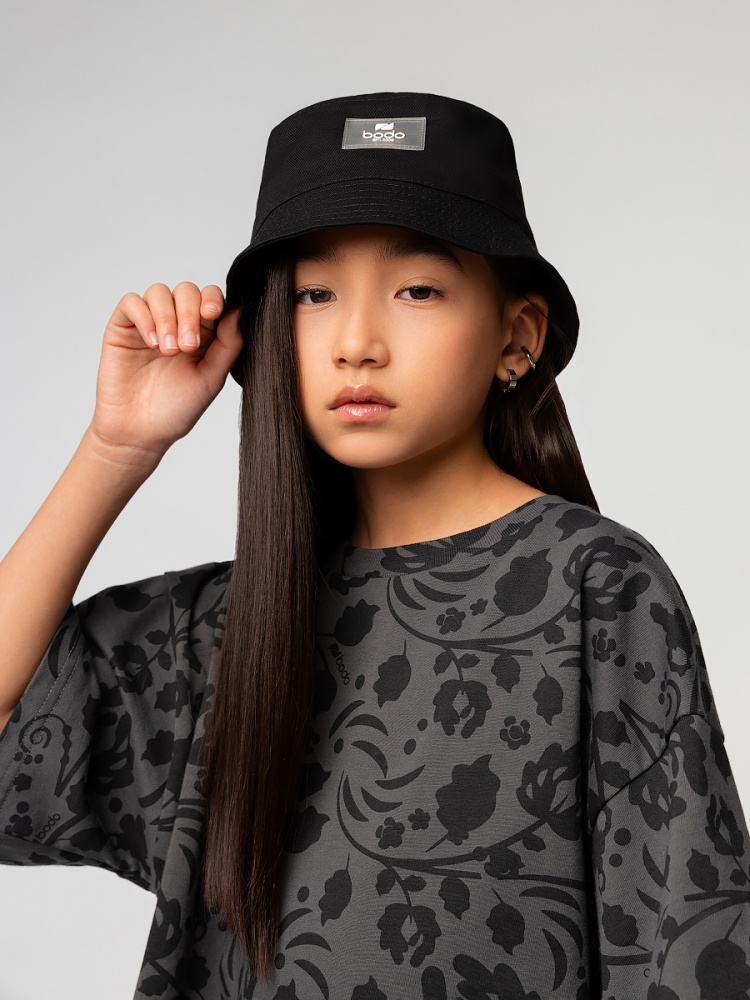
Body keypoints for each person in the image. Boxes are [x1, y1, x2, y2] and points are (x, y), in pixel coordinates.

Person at [0, 91, 748, 1000]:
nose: (357, 343)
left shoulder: (594, 585)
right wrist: (117, 446)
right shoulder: (223, 630)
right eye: (313, 295)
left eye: (417, 290)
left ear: (518, 336)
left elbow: (687, 944)